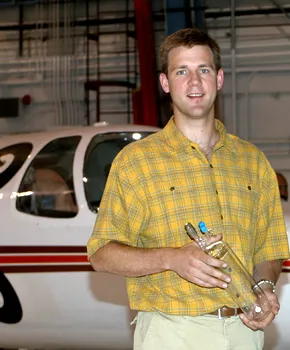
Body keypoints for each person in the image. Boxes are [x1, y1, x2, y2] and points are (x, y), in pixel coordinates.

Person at [87, 28, 290, 350]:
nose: (194, 82)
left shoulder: (253, 161)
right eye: (182, 71)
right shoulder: (136, 162)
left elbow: (269, 251)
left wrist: (264, 285)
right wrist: (172, 258)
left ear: (219, 79)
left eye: (203, 70)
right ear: (165, 83)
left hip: (244, 331)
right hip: (172, 332)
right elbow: (101, 254)